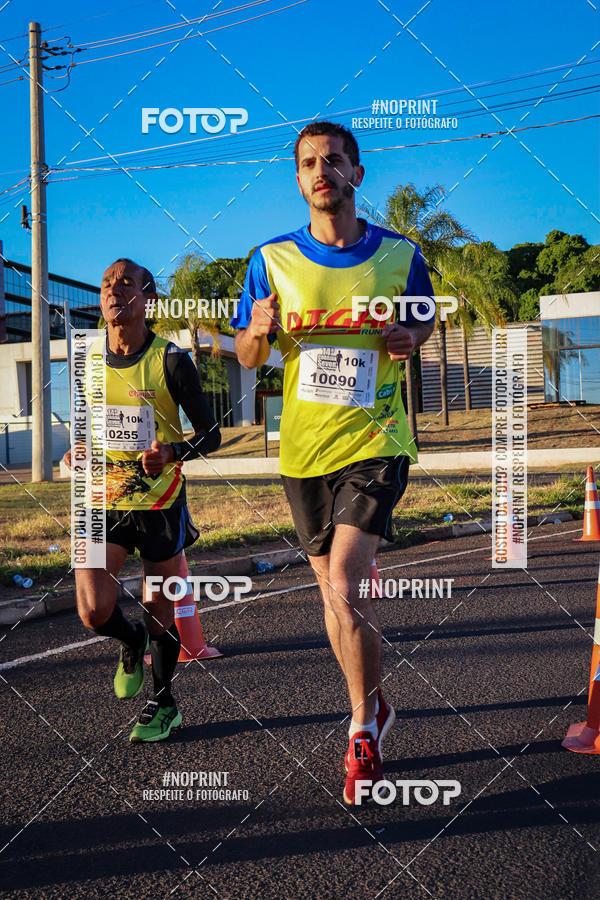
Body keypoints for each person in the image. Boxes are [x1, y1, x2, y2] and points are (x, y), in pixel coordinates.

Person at [231, 122, 435, 803]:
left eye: (335, 160)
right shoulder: (271, 260)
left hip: (376, 443)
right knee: (333, 594)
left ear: (357, 173)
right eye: (309, 163)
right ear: (298, 179)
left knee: (346, 582)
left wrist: (409, 336)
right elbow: (248, 356)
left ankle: (360, 734)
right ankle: (373, 700)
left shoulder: (401, 255)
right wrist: (256, 335)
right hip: (304, 453)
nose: (323, 171)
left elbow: (422, 320)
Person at [64, 258, 221, 742]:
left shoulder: (172, 360)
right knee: (92, 610)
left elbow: (212, 435)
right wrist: (77, 449)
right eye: (107, 283)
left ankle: (162, 701)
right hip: (99, 501)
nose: (113, 290)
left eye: (125, 283)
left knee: (160, 608)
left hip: (158, 505)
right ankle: (129, 641)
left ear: (147, 299)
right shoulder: (85, 358)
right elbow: (87, 423)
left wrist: (172, 452)